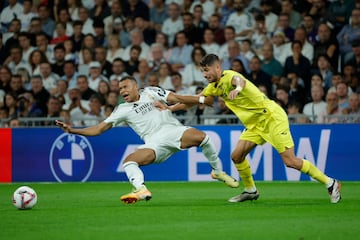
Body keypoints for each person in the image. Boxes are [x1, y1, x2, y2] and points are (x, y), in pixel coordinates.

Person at [167, 53, 342, 204]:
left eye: (207, 70)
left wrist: (238, 89)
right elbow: (192, 101)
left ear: (218, 67)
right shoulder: (213, 87)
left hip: (271, 118)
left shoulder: (229, 76)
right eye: (202, 71)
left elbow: (240, 81)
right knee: (237, 155)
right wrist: (170, 108)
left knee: (290, 161)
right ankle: (251, 191)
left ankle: (331, 183)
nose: (204, 74)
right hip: (255, 124)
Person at [56, 75, 238, 204]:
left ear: (136, 87)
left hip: (173, 130)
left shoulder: (150, 92)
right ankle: (140, 189)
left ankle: (217, 172)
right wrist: (74, 131)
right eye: (120, 89)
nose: (122, 91)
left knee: (203, 137)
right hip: (154, 143)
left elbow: (174, 97)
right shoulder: (121, 110)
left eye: (125, 87)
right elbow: (99, 129)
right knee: (129, 162)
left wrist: (198, 99)